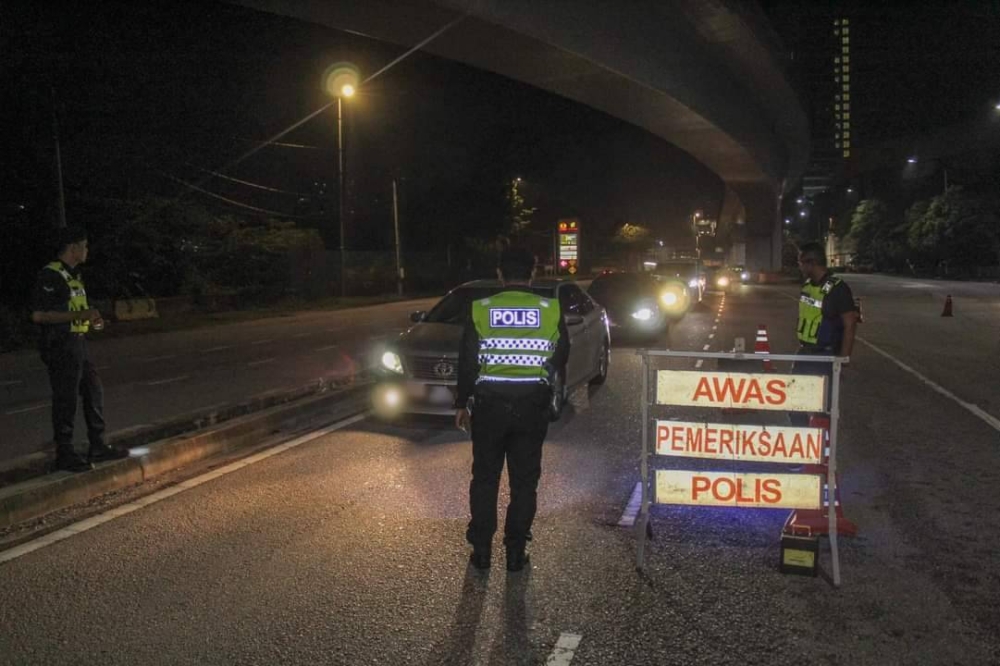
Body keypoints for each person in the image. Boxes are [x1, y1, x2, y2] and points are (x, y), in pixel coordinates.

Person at [454, 247, 569, 572]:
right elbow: (562, 353)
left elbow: (467, 360)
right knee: (524, 482)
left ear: (500, 274)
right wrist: (543, 377)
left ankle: (481, 551)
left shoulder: (481, 309)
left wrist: (462, 403)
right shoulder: (549, 308)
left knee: (485, 478)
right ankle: (516, 552)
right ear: (533, 273)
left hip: (489, 406)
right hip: (532, 405)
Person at [30, 226, 129, 472]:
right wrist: (80, 315)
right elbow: (39, 315)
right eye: (84, 246)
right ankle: (64, 453)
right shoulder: (50, 275)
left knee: (94, 392)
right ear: (73, 248)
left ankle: (98, 445)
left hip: (78, 343)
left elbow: (77, 310)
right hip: (60, 345)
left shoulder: (74, 275)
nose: (87, 250)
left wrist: (91, 319)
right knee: (66, 399)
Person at [792, 241, 860, 425]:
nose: (799, 267)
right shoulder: (807, 286)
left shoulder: (838, 289)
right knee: (793, 403)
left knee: (822, 409)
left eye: (801, 263)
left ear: (811, 263)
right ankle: (802, 439)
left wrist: (843, 358)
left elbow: (850, 323)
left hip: (825, 355)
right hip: (804, 352)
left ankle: (822, 442)